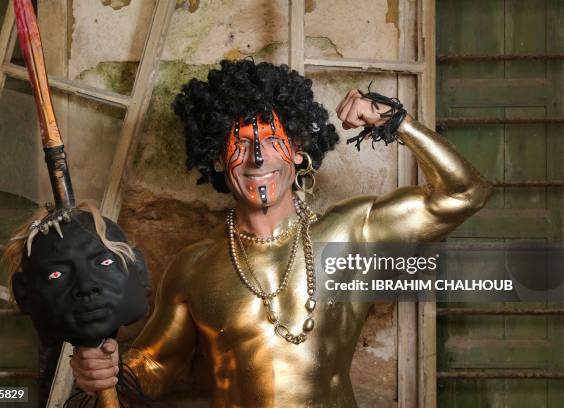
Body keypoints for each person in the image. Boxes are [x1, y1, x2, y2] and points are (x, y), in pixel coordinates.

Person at [70, 59, 492, 406]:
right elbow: (153, 369)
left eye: (273, 140)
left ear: (298, 150)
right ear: (217, 159)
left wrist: (396, 121)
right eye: (240, 143)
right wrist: (107, 370)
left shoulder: (354, 231)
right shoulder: (192, 268)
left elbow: (465, 194)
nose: (257, 158)